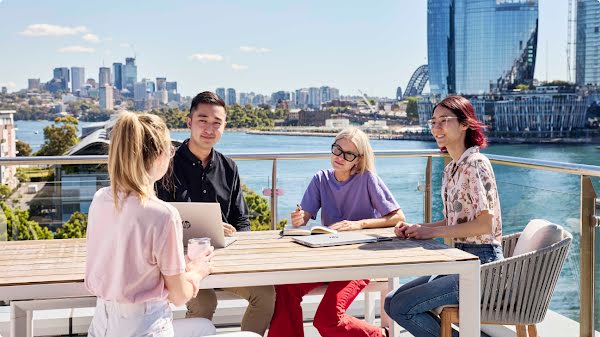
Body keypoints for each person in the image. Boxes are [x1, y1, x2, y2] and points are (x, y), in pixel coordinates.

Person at [85, 112, 216, 336]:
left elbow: (131, 261)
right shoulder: (163, 214)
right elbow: (178, 296)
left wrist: (176, 264)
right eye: (170, 150)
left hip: (102, 327)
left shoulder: (100, 200)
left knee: (204, 327)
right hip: (145, 328)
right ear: (158, 155)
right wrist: (196, 271)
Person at [267, 127, 405, 337]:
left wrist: (359, 225)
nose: (340, 157)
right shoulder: (320, 178)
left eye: (348, 154)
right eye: (337, 150)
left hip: (359, 262)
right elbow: (305, 215)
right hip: (326, 259)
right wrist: (299, 217)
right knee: (284, 289)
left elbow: (398, 217)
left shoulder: (368, 179)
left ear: (357, 160)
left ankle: (379, 335)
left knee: (327, 319)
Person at [384, 95, 504, 337]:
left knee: (401, 307)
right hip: (459, 259)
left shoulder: (476, 164)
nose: (436, 127)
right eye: (433, 121)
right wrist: (419, 227)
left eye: (444, 120)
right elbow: (455, 223)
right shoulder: (451, 168)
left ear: (464, 124)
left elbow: (484, 224)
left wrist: (434, 232)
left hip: (483, 266)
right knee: (391, 301)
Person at [156, 91, 275, 336]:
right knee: (204, 301)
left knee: (265, 294)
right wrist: (209, 230)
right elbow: (158, 221)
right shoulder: (166, 165)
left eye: (216, 123)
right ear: (188, 122)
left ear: (224, 127)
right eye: (202, 120)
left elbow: (242, 220)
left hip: (222, 259)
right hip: (181, 263)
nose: (209, 129)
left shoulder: (229, 167)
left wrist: (236, 244)